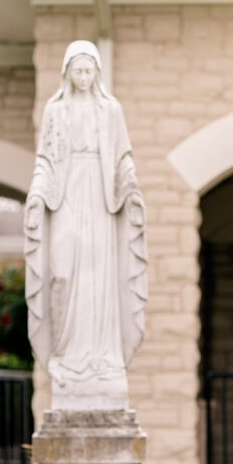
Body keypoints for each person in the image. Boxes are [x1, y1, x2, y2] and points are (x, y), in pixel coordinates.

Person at [24, 40, 147, 407]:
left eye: (87, 70)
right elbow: (45, 159)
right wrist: (37, 195)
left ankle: (101, 360)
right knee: (62, 272)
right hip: (66, 194)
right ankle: (65, 355)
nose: (81, 76)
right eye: (76, 70)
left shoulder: (110, 111)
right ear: (66, 73)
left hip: (99, 195)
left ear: (97, 72)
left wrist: (131, 189)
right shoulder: (54, 111)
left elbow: (123, 157)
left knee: (98, 279)